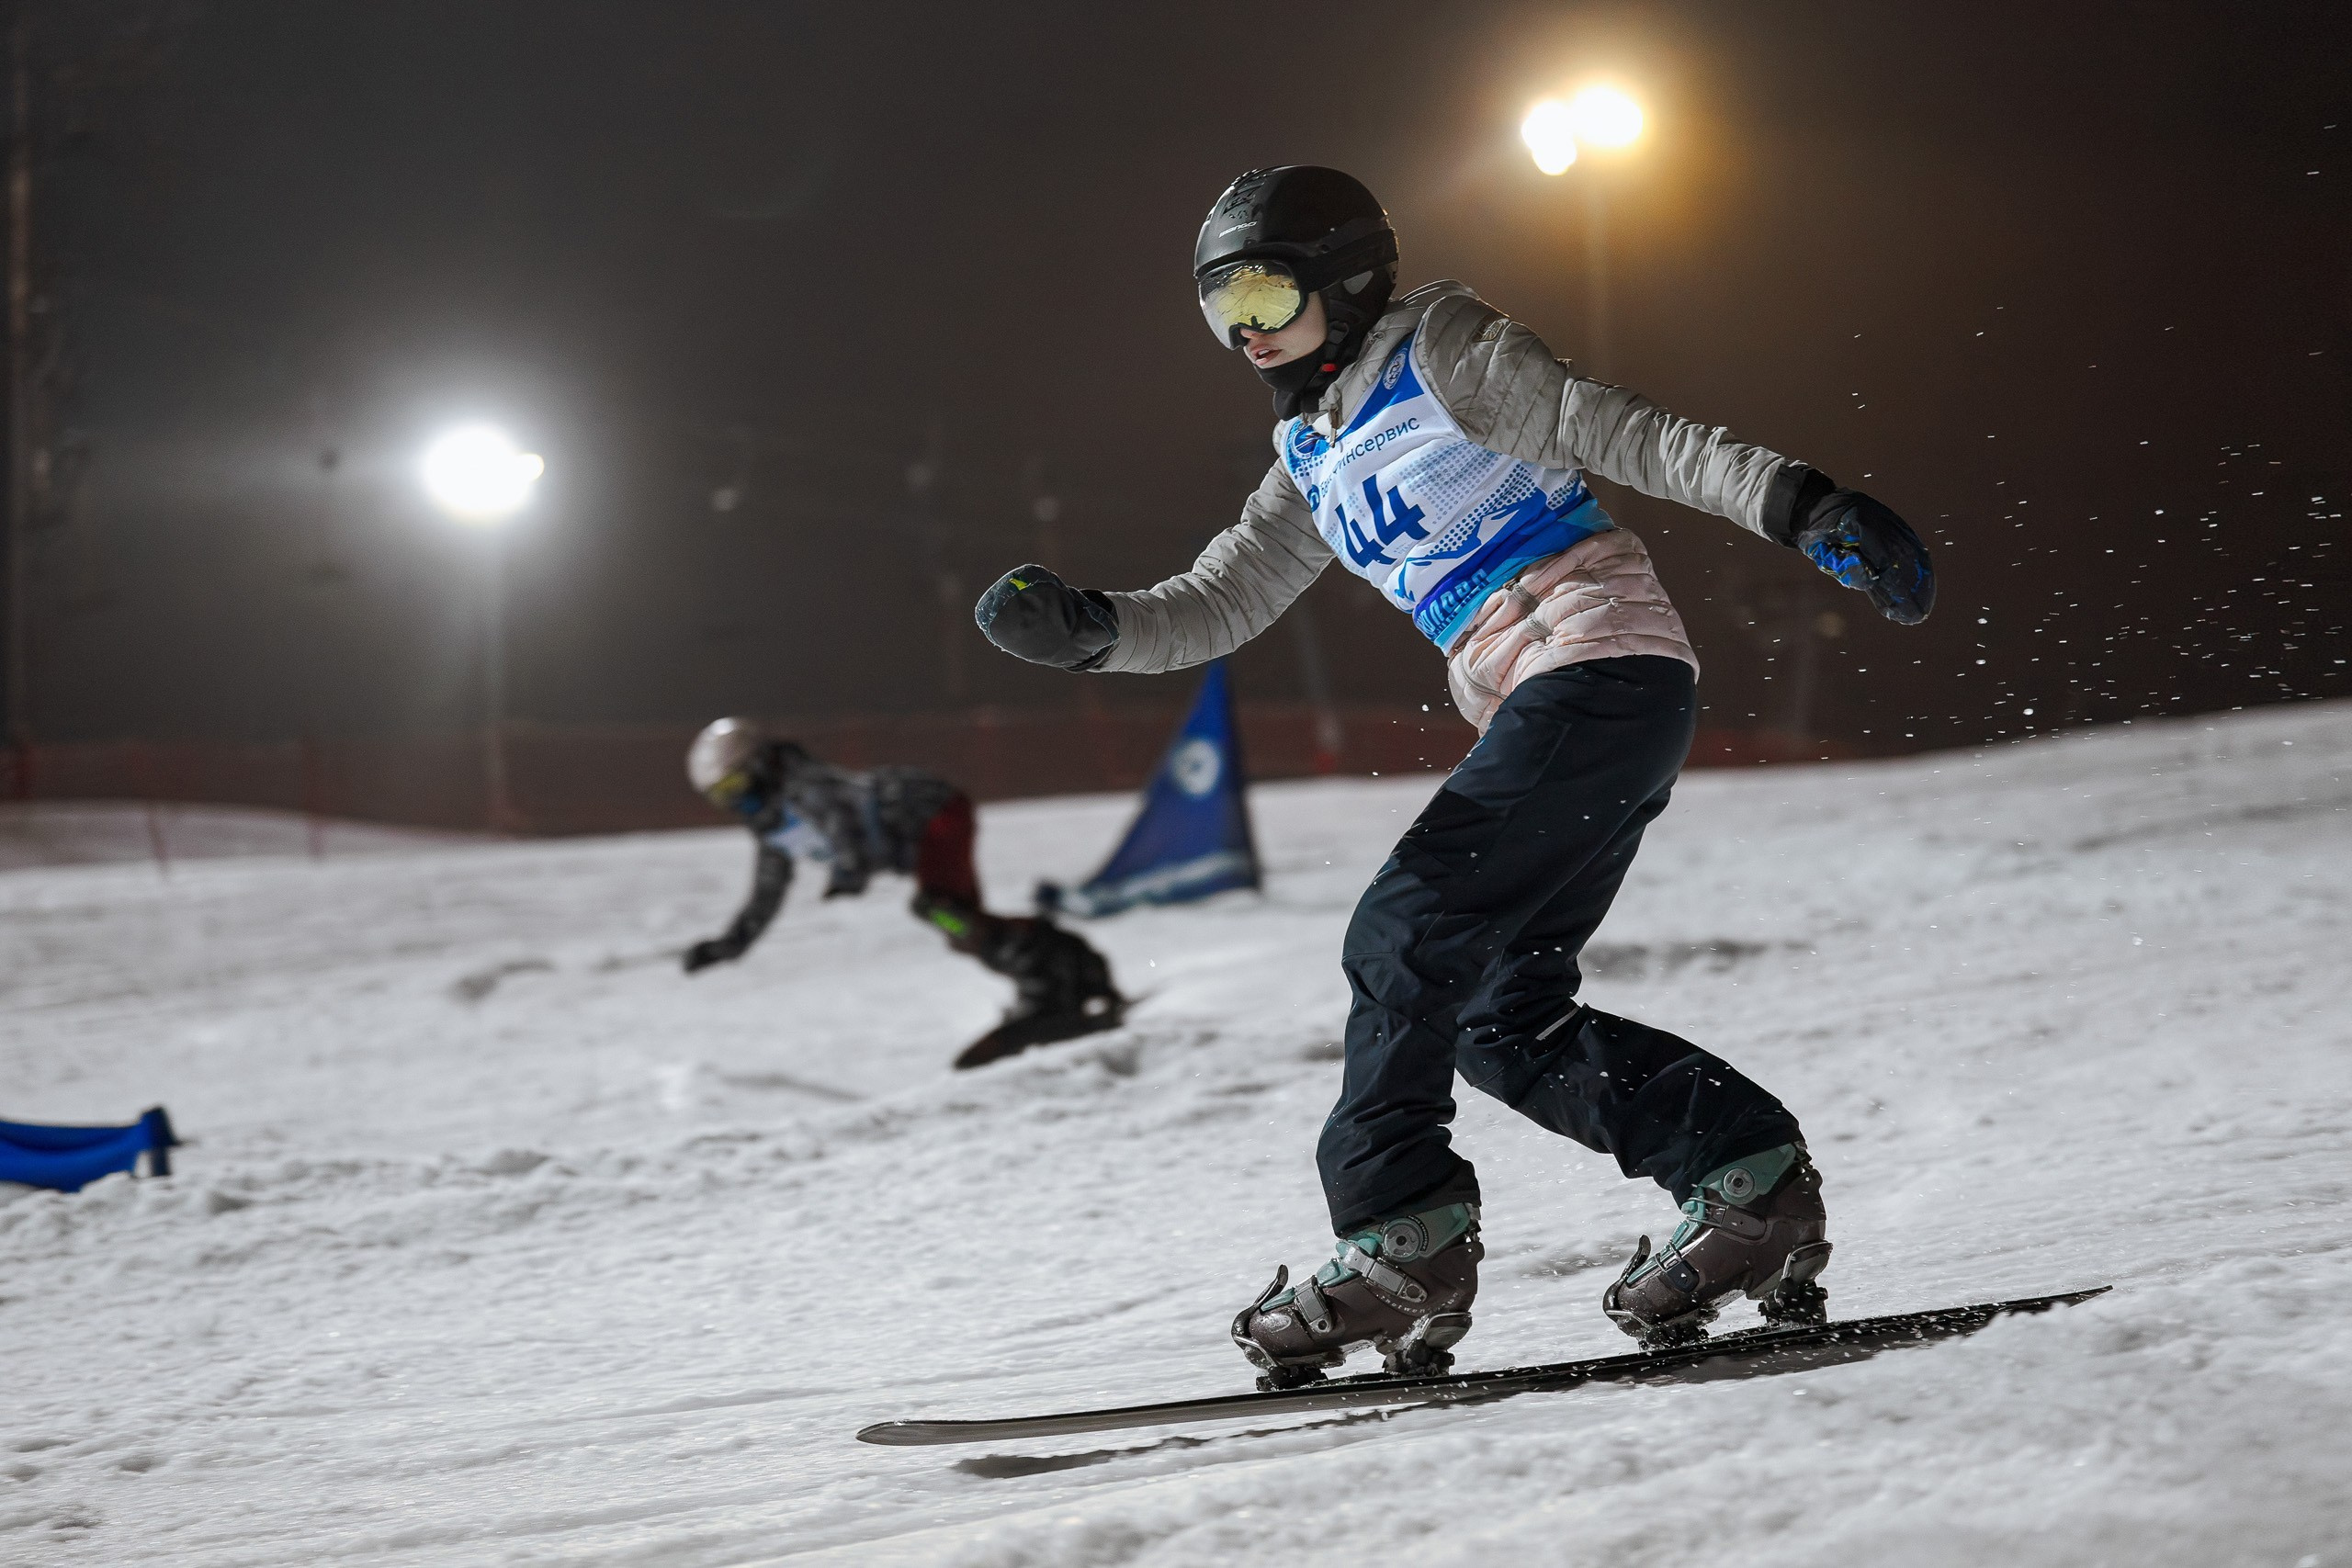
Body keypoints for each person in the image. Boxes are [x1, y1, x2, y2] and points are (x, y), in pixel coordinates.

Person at [972, 166, 1934, 1384]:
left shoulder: (1442, 354)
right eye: (1221, 309)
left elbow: (1624, 430)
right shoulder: (1309, 450)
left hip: (1596, 660)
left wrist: (1803, 505)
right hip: (1566, 702)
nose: (1246, 330)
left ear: (1344, 281)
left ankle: (1401, 1240)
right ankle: (1747, 1182)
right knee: (1494, 1015)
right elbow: (1221, 599)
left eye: (1264, 293)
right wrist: (1094, 630)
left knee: (1404, 928)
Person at [681, 717, 1124, 1068]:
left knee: (941, 911)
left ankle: (1050, 980)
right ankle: (1060, 964)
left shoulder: (803, 785)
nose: (738, 803)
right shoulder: (775, 826)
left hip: (934, 814)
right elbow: (767, 890)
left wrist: (849, 872)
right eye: (722, 797)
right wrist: (730, 944)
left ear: (759, 765)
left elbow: (841, 820)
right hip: (922, 835)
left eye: (736, 786)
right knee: (954, 918)